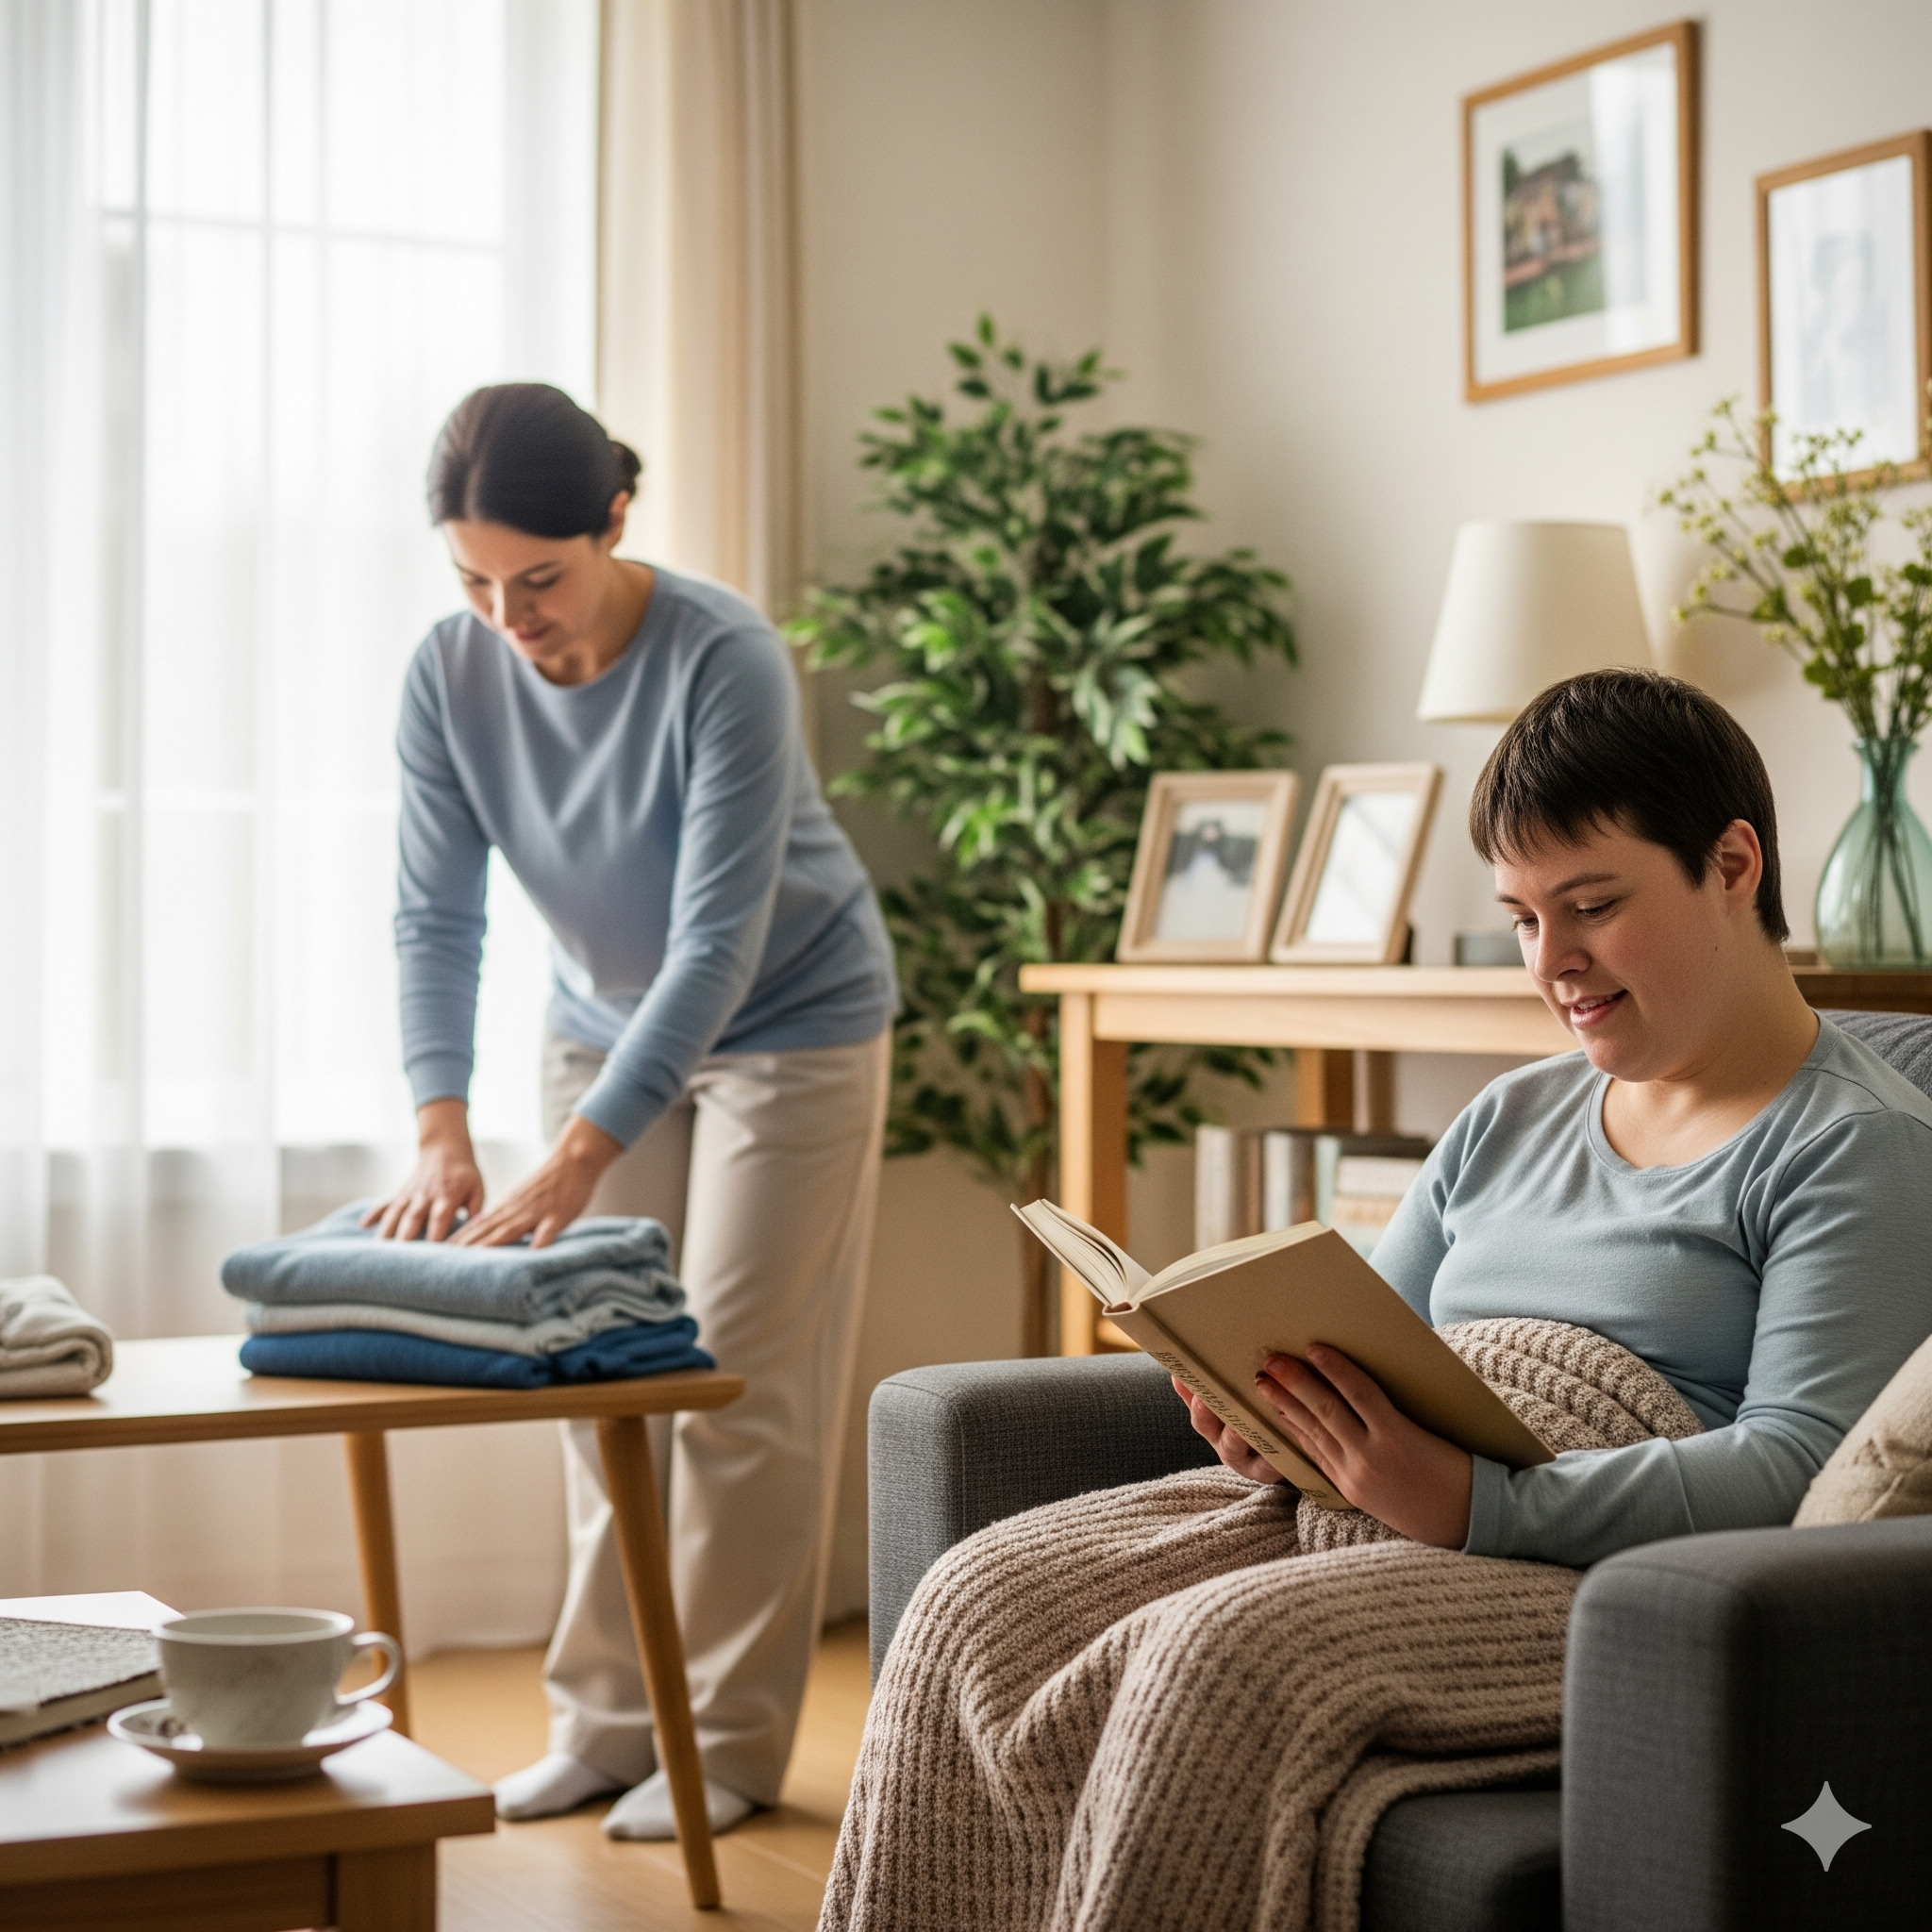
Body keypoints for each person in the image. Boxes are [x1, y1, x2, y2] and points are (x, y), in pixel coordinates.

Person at [822, 669, 1932, 1929]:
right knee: (978, 1598)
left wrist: (1477, 1502)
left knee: (1216, 1662)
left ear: (1732, 865)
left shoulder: (1855, 1146)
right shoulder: (1509, 1116)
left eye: (1593, 906)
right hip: (1373, 1515)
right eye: (1522, 919)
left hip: (1593, 1570)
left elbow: (1795, 1468)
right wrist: (1275, 1418)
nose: (1553, 963)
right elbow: (1375, 1335)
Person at [367, 382, 897, 1840]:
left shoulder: (724, 656)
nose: (509, 617)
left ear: (613, 520)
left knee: (734, 1383)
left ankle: (723, 1747)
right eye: (475, 583)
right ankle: (604, 1726)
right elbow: (435, 915)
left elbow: (716, 945)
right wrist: (441, 1123)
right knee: (592, 1371)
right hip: (599, 1028)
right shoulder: (449, 674)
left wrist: (578, 1155)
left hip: (792, 1023)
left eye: (538, 579)